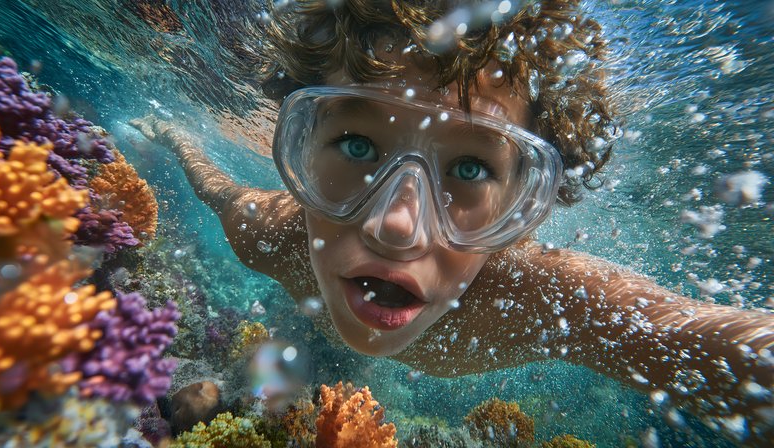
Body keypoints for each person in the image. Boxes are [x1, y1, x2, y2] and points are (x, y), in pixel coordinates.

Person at [131, 0, 773, 443]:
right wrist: (176, 139)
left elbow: (708, 342)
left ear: (527, 209)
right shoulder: (267, 232)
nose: (397, 226)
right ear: (296, 145)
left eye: (469, 170)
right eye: (357, 147)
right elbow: (214, 185)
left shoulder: (542, 299)